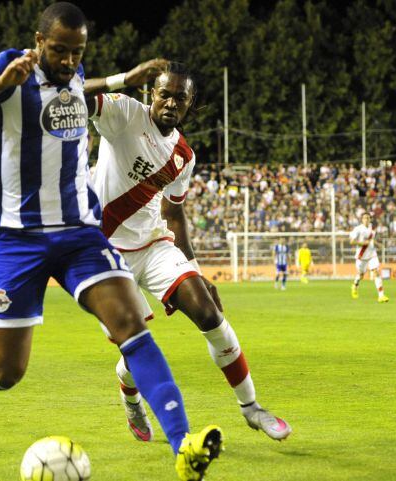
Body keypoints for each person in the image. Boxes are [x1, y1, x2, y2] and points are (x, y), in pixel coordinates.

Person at [0, 4, 220, 479]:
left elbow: (73, 90)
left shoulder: (72, 73)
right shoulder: (7, 66)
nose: (68, 61)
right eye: (60, 51)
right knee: (7, 373)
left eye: (77, 53)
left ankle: (183, 446)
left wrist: (120, 78)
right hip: (17, 237)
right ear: (39, 41)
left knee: (131, 324)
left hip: (79, 232)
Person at [91, 62, 290, 443]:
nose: (170, 102)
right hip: (104, 253)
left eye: (179, 97)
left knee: (209, 313)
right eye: (164, 93)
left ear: (189, 103)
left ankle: (252, 408)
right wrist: (122, 80)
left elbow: (174, 214)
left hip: (153, 244)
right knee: (137, 344)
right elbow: (74, 96)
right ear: (152, 93)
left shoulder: (183, 155)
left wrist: (195, 270)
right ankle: (130, 394)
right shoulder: (124, 113)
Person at [349, 213, 389, 302]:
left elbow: (371, 241)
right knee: (361, 275)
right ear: (362, 220)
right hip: (361, 256)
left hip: (372, 254)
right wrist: (362, 243)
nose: (366, 219)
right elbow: (351, 241)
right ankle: (355, 285)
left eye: (368, 218)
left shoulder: (372, 229)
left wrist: (378, 245)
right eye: (364, 218)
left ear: (370, 219)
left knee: (376, 271)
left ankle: (381, 296)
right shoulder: (358, 229)